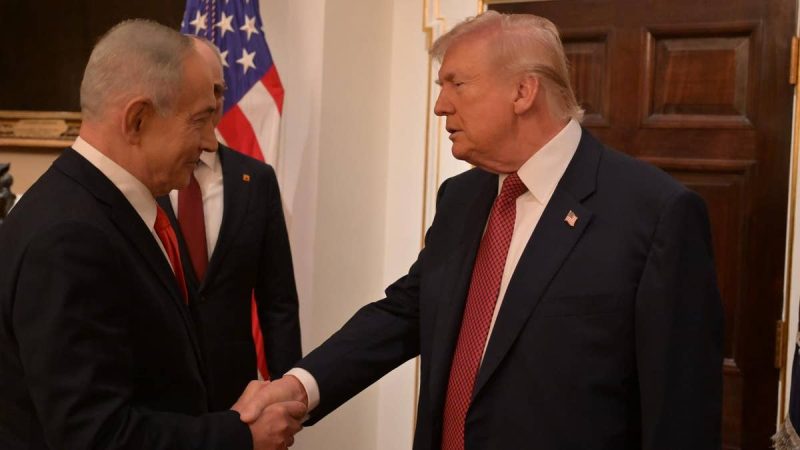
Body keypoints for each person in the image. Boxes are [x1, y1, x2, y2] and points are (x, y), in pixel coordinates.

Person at [246, 10, 724, 450]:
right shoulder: (461, 198)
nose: (440, 106)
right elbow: (406, 313)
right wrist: (300, 387)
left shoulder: (655, 213)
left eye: (456, 84)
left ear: (523, 92)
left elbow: (681, 410)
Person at [0, 20, 304, 449]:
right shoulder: (69, 238)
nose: (210, 142)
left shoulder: (108, 207)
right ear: (137, 120)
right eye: (199, 120)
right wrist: (239, 434)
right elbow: (95, 436)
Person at [156, 36, 302, 411]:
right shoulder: (147, 177)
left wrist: (287, 391)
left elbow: (278, 301)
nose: (214, 101)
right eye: (203, 91)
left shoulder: (257, 181)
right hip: (158, 389)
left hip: (235, 391)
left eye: (219, 90)